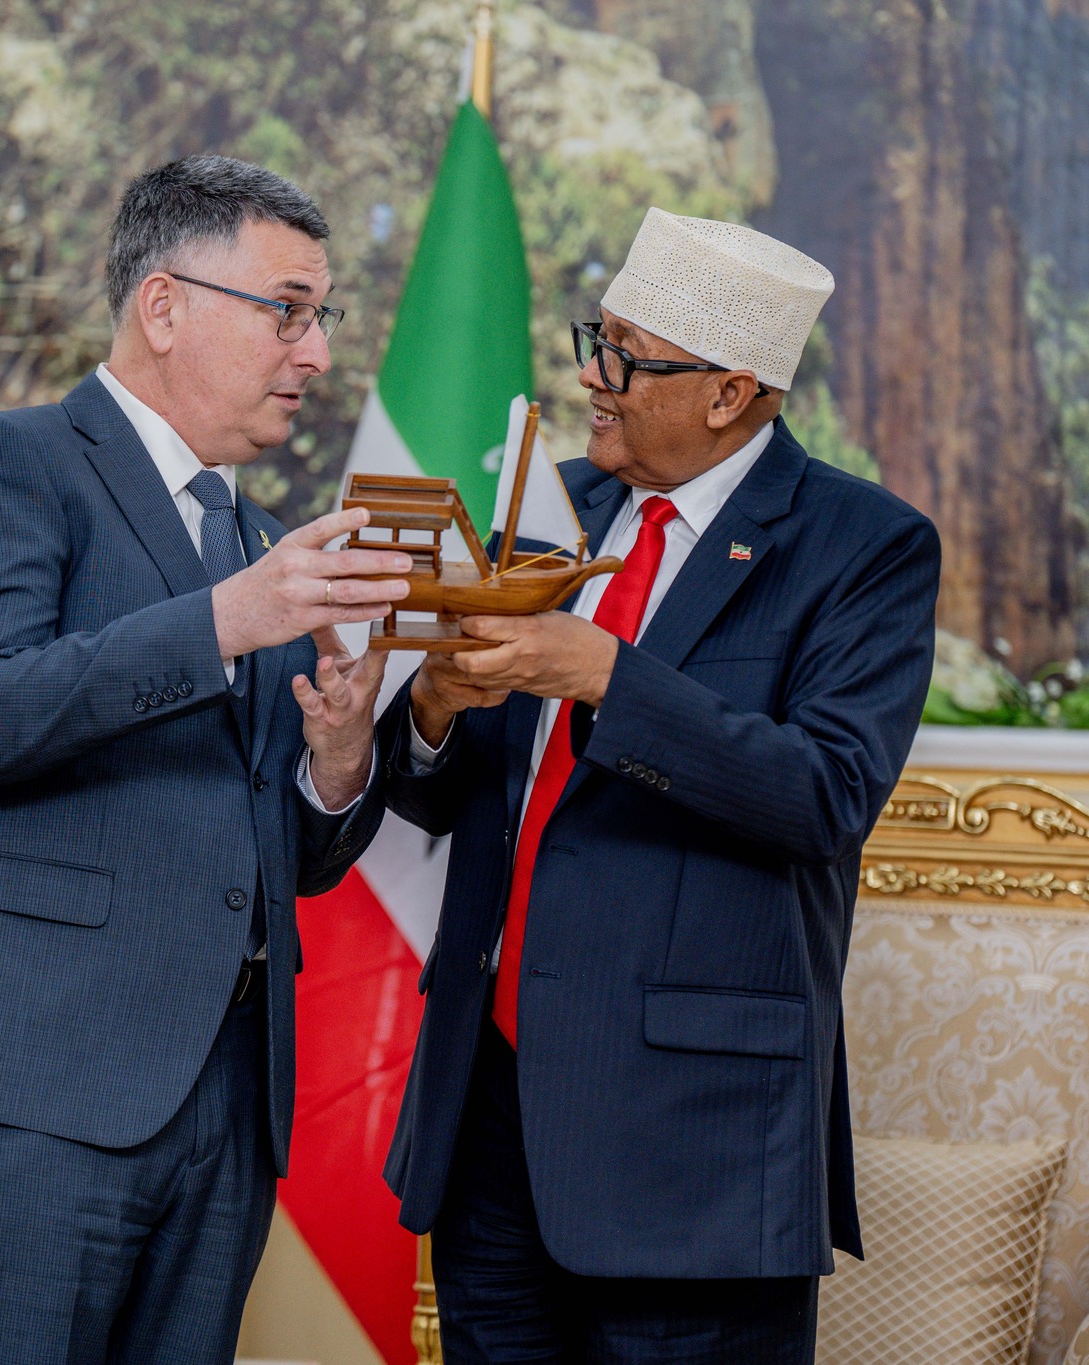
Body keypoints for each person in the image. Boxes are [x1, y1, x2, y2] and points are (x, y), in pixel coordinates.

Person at [0, 155, 415, 1364]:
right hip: (22, 1087)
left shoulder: (257, 541)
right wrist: (226, 622)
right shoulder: (6, 464)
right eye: (289, 312)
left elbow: (284, 858)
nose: (317, 355)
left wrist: (336, 759)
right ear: (164, 307)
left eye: (324, 318)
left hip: (223, 1104)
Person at [378, 207, 942, 1362]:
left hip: (694, 1150)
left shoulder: (862, 547)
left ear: (729, 394)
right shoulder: (548, 515)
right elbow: (449, 794)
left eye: (626, 358)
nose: (591, 377)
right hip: (487, 1121)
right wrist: (431, 709)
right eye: (597, 339)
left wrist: (604, 675)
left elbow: (824, 796)